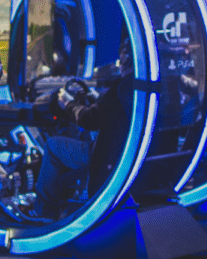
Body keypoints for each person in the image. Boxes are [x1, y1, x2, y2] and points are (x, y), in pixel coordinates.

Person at [32, 41, 134, 221]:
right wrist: (95, 98)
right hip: (125, 152)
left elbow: (89, 119)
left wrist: (67, 103)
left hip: (106, 155)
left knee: (53, 145)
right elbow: (108, 111)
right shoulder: (140, 86)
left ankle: (45, 211)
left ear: (126, 58)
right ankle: (65, 199)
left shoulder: (122, 87)